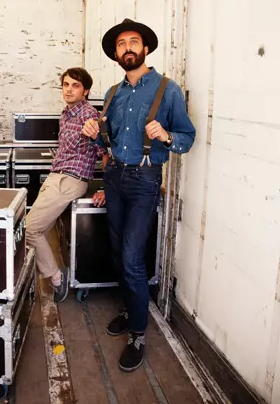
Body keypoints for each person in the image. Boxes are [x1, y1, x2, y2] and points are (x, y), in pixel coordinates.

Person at [82, 18, 196, 372]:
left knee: (132, 256)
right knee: (118, 250)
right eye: (121, 44)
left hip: (145, 180)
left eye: (134, 42)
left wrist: (165, 135)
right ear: (116, 54)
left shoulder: (167, 89)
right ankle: (131, 309)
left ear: (145, 48)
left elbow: (187, 138)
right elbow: (108, 140)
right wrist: (93, 132)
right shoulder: (114, 93)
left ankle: (138, 332)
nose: (127, 48)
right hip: (114, 177)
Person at [25, 68, 107, 303]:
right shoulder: (67, 113)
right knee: (35, 229)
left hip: (71, 180)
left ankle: (56, 277)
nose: (69, 89)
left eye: (76, 86)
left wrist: (106, 187)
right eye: (66, 84)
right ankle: (41, 273)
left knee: (31, 229)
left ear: (86, 91)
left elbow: (104, 152)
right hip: (57, 176)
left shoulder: (89, 116)